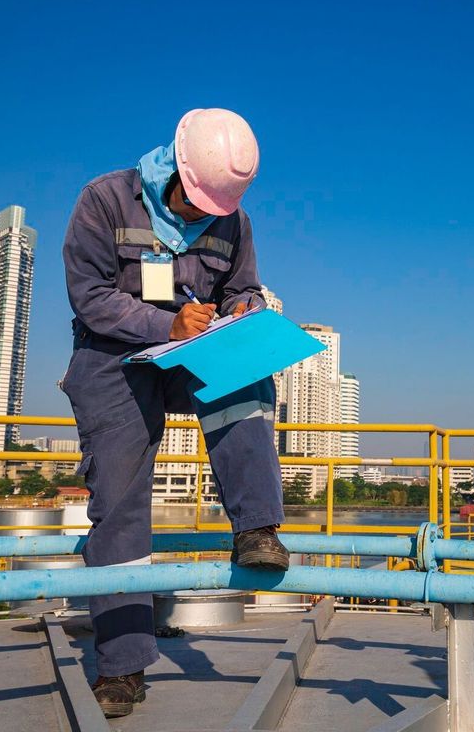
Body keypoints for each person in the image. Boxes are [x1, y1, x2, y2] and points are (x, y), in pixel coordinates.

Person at [60, 108, 288, 718]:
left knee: (246, 374)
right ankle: (122, 668)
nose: (203, 216)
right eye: (196, 204)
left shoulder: (233, 219)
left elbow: (244, 286)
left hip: (191, 349)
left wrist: (241, 309)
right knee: (120, 503)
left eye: (215, 207)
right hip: (114, 360)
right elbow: (90, 297)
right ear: (175, 171)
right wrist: (165, 322)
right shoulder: (104, 200)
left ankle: (256, 529)